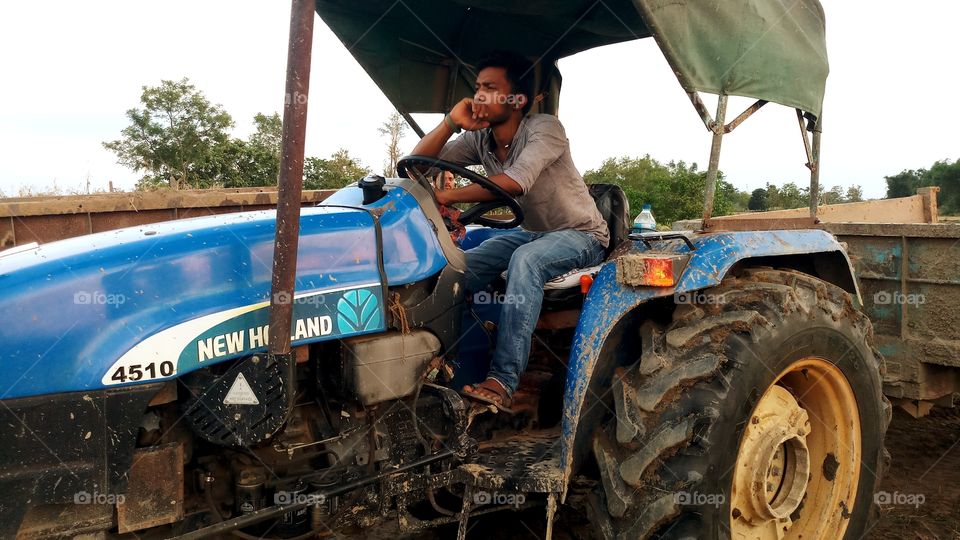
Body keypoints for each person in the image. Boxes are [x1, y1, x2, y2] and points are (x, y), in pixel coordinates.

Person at [410, 51, 609, 412]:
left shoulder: (545, 129)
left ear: (516, 100)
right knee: (455, 269)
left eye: (490, 88)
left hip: (581, 234)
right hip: (535, 233)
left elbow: (515, 182)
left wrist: (446, 195)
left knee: (526, 260)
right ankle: (429, 364)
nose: (479, 96)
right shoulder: (479, 140)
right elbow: (417, 167)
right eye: (477, 87)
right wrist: (449, 125)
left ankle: (502, 380)